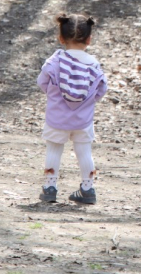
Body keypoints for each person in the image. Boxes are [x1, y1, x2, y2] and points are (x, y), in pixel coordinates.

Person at [38, 13, 108, 205]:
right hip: (83, 120)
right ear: (89, 39)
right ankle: (88, 188)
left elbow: (41, 82)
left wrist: (54, 95)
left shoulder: (54, 62)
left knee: (54, 149)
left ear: (61, 38)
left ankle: (50, 187)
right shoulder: (93, 65)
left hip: (57, 118)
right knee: (84, 152)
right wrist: (88, 102)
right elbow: (102, 89)